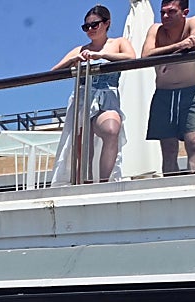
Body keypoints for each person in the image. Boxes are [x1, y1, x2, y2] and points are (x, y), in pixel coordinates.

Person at [52, 6, 136, 183]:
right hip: (83, 98)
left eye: (94, 25)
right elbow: (53, 72)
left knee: (112, 129)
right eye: (86, 27)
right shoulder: (80, 49)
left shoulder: (119, 43)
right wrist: (73, 60)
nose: (90, 29)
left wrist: (102, 55)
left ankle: (104, 181)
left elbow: (131, 57)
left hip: (108, 97)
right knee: (83, 147)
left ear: (107, 23)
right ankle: (86, 182)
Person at [142, 0, 195, 175]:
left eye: (171, 11)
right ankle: (170, 186)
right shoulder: (156, 29)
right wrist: (179, 46)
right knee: (168, 148)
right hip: (164, 93)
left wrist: (165, 55)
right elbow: (146, 54)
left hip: (192, 91)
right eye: (162, 12)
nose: (165, 16)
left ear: (185, 12)